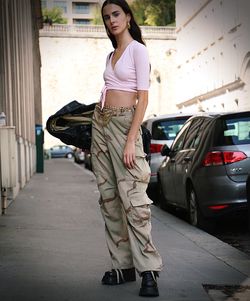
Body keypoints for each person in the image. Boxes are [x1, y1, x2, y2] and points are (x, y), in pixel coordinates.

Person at [91, 0, 163, 297]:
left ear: (129, 17)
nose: (111, 20)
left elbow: (142, 100)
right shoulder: (111, 54)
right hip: (101, 124)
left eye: (116, 14)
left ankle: (149, 269)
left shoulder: (138, 50)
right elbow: (107, 91)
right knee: (109, 200)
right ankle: (124, 266)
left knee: (133, 198)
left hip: (125, 127)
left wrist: (132, 139)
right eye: (107, 17)